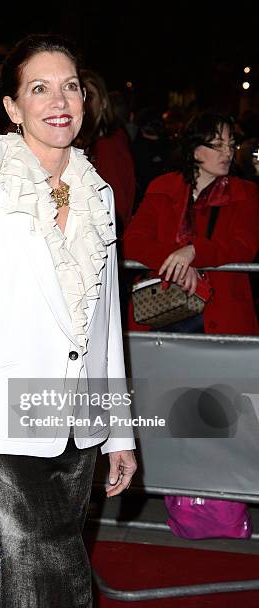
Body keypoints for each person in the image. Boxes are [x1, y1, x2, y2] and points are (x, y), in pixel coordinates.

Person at [0, 34, 137, 608]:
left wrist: (118, 432)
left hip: (77, 432)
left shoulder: (99, 193)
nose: (60, 100)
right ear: (11, 106)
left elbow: (106, 333)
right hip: (7, 432)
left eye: (70, 86)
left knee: (58, 571)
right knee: (41, 584)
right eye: (40, 88)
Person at [123, 111, 259, 538]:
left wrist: (195, 253)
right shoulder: (164, 187)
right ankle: (182, 496)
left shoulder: (245, 192)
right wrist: (177, 261)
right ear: (195, 149)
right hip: (166, 314)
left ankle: (213, 499)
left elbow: (244, 245)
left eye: (230, 144)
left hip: (221, 317)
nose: (227, 152)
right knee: (168, 408)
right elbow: (134, 239)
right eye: (217, 144)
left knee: (217, 412)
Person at [76, 69, 136, 234]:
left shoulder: (108, 145)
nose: (83, 102)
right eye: (78, 94)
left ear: (103, 103)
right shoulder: (84, 143)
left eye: (90, 96)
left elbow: (117, 209)